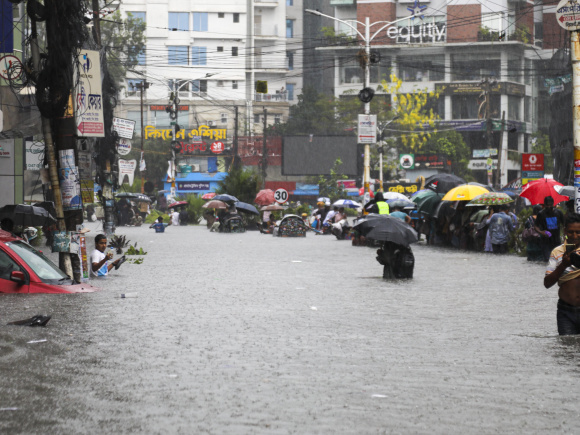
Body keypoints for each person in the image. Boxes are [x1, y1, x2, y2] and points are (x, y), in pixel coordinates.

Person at [544, 213, 580, 335]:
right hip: (566, 312)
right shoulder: (557, 252)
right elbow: (547, 283)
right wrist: (563, 265)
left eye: (578, 232)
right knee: (566, 349)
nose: (574, 236)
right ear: (565, 231)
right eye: (570, 232)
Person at [535, 196, 565, 261]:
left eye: (550, 205)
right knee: (547, 260)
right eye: (547, 205)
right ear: (544, 205)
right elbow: (536, 226)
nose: (549, 207)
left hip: (556, 241)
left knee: (558, 259)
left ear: (553, 204)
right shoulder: (541, 214)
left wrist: (565, 237)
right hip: (545, 242)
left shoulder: (558, 213)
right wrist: (541, 232)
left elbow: (564, 225)